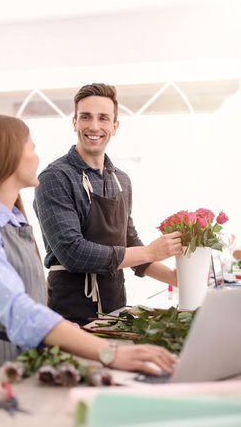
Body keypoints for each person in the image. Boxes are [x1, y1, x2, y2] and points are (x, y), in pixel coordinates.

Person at [0, 114, 176, 392]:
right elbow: (18, 309)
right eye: (31, 148)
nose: (37, 158)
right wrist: (110, 352)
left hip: (25, 366)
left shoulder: (16, 219)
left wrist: (66, 333)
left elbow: (31, 298)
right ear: (9, 155)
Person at [34, 83, 183, 326]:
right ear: (74, 123)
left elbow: (128, 241)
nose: (94, 126)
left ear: (114, 126)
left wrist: (174, 277)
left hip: (115, 308)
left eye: (103, 118)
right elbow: (72, 252)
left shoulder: (121, 179)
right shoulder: (55, 178)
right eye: (86, 117)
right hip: (69, 315)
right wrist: (149, 252)